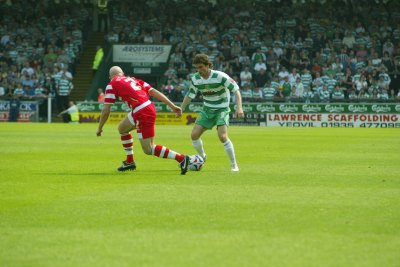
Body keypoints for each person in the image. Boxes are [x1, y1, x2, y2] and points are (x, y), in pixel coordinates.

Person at [96, 66, 191, 174]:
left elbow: (106, 111)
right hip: (145, 107)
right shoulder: (134, 79)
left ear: (110, 77)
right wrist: (172, 106)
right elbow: (154, 92)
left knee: (148, 149)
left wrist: (100, 128)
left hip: (142, 112)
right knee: (122, 128)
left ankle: (182, 158)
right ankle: (129, 161)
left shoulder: (112, 84)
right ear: (122, 73)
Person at [178, 53, 244, 172]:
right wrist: (181, 108)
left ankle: (234, 164)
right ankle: (202, 157)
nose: (199, 70)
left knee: (222, 136)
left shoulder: (220, 76)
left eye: (201, 67)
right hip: (207, 109)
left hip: (222, 109)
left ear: (208, 65)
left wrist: (239, 108)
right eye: (197, 68)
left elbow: (236, 90)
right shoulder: (196, 78)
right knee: (194, 135)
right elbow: (190, 95)